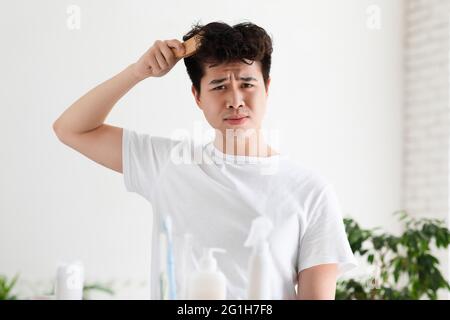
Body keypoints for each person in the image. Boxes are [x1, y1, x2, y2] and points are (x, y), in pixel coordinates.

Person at [53, 21, 358, 300]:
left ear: (267, 87)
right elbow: (71, 129)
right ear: (197, 96)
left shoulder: (312, 192)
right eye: (219, 86)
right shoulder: (167, 164)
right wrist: (138, 71)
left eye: (247, 84)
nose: (236, 99)